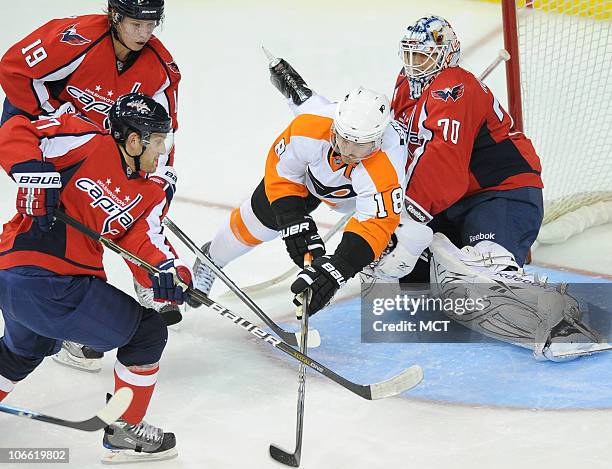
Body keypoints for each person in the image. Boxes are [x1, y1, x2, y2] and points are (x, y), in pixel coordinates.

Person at [265, 18, 603, 360]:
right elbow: (391, 143)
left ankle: (564, 324)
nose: (414, 65)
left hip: (499, 194)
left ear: (446, 55)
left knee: (481, 275)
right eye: (409, 55)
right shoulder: (404, 84)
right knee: (404, 280)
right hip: (447, 204)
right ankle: (476, 285)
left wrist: (404, 217)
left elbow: (444, 168)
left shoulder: (455, 87)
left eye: (423, 57)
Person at [0, 93, 191, 462]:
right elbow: (16, 128)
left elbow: (143, 241)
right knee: (147, 333)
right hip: (48, 278)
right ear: (133, 140)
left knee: (23, 351)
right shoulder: (83, 138)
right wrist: (31, 171)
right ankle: (125, 429)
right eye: (157, 141)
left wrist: (167, 272)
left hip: (23, 282)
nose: (162, 151)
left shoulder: (150, 190)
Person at [0, 0, 182, 370]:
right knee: (53, 220)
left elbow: (162, 137)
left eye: (151, 25)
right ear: (115, 16)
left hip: (106, 149)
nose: (144, 34)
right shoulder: (76, 37)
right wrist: (48, 133)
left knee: (113, 213)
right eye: (135, 24)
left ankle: (85, 308)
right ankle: (62, 320)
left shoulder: (159, 69)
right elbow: (16, 70)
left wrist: (151, 193)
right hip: (51, 137)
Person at [188, 87, 407, 315]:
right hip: (310, 176)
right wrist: (291, 219)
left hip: (355, 198)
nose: (348, 152)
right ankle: (212, 256)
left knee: (391, 234)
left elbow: (375, 223)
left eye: (359, 144)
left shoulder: (387, 164)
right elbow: (282, 170)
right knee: (261, 220)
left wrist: (339, 268)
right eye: (344, 140)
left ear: (378, 140)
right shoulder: (310, 126)